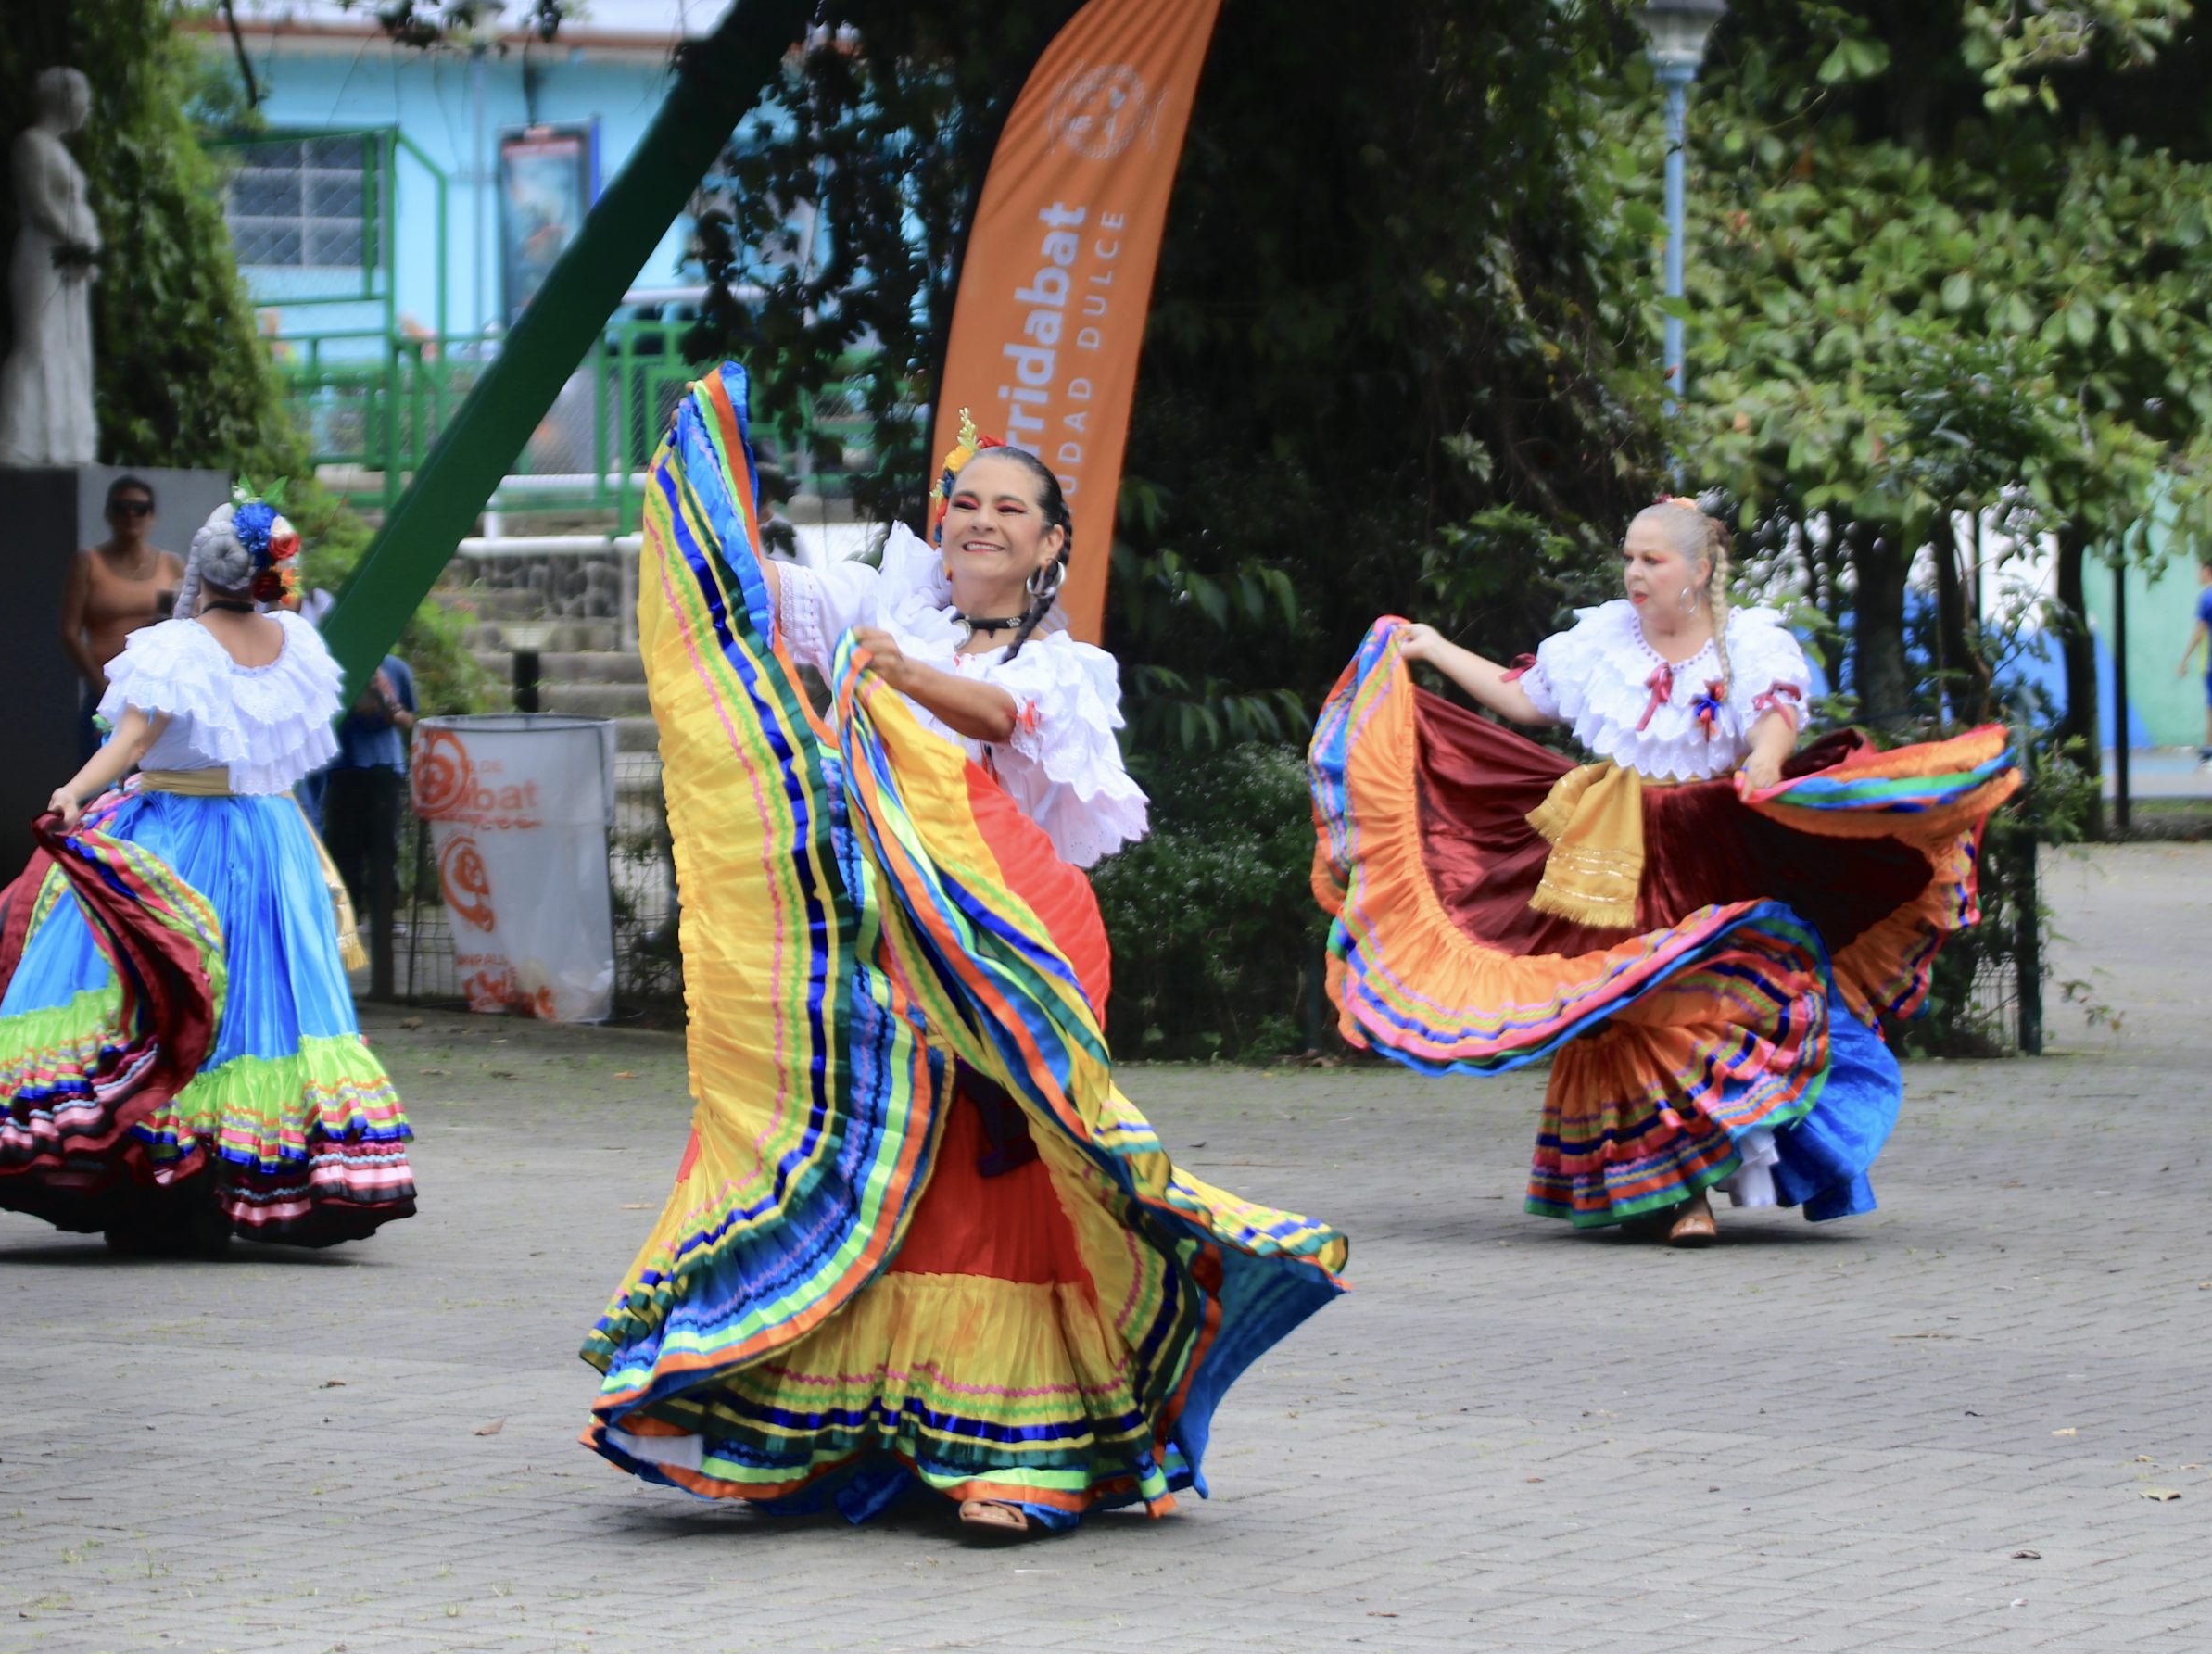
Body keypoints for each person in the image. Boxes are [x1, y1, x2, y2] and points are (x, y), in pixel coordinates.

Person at [581, 369, 1346, 1537]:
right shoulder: (882, 608)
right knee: (882, 1159)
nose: (981, 521)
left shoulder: (1059, 669)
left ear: (1050, 544)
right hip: (888, 934)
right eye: (967, 503)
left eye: (1010, 509)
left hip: (1013, 943)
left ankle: (1016, 1455)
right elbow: (752, 594)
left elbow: (1000, 724)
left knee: (1007, 1171)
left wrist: (897, 674)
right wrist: (698, 486)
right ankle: (842, 1433)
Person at [1309, 496, 2020, 1246]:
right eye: (1630, 558)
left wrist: (1769, 763)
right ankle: (1660, 1190)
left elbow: (1773, 722)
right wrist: (1436, 648)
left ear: (1701, 569)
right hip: (1609, 845)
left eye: (1654, 559)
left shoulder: (1746, 645)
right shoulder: (1600, 642)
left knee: (1704, 1007)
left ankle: (1693, 1190)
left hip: (1713, 843)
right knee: (1621, 1009)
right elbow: (1524, 699)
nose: (1635, 573)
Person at [0, 496, 415, 1254]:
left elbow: (135, 733)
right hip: (272, 841)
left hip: (180, 840)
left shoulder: (178, 645)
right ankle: (242, 1178)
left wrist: (76, 791)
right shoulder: (296, 643)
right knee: (258, 1006)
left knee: (156, 996)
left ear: (207, 568)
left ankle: (157, 1183)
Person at [61, 474, 183, 756]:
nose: (131, 515)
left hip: (157, 693)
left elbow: (187, 621)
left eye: (140, 508)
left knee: (154, 784)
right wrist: (99, 684)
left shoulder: (171, 564)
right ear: (108, 513)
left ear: (152, 516)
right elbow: (69, 631)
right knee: (103, 789)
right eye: (122, 507)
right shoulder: (88, 563)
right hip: (105, 691)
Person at [322, 651, 416, 945]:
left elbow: (410, 717)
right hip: (344, 765)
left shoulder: (396, 668)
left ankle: (384, 918)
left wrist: (388, 708)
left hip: (384, 766)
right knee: (343, 847)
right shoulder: (336, 661)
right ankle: (346, 920)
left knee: (384, 846)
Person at [2175, 557, 2212, 767]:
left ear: (2207, 571)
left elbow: (2199, 631)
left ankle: (2209, 751)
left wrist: (2184, 659)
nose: (2197, 574)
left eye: (2199, 570)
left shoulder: (2207, 598)